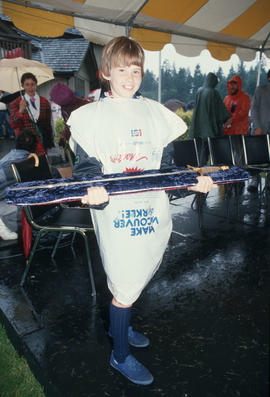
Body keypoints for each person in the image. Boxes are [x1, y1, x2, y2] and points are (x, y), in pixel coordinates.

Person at [67, 36, 217, 385]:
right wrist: (92, 191)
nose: (129, 76)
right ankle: (120, 355)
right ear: (105, 72)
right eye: (122, 69)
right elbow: (86, 170)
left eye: (136, 69)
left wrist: (190, 182)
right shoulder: (91, 118)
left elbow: (165, 168)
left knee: (137, 278)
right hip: (117, 216)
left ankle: (123, 326)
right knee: (123, 285)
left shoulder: (153, 114)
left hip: (151, 212)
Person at [0, 129, 37, 241]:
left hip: (5, 200)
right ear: (34, 146)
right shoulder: (28, 160)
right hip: (4, 205)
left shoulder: (9, 157)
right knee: (32, 210)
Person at [8, 72, 54, 155]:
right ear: (22, 86)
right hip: (26, 144)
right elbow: (13, 125)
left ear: (36, 85)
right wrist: (20, 111)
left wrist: (49, 141)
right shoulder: (15, 103)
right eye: (27, 84)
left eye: (32, 84)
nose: (30, 87)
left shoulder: (45, 102)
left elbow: (48, 124)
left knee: (43, 166)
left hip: (42, 142)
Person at [189, 72, 230, 164]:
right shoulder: (213, 92)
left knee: (201, 153)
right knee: (213, 153)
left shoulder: (199, 91)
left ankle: (200, 171)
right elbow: (220, 110)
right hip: (210, 130)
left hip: (199, 128)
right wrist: (227, 118)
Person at [248, 69, 270, 192]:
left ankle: (268, 182)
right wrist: (257, 126)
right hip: (260, 130)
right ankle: (254, 180)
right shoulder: (261, 89)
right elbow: (254, 109)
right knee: (256, 157)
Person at [50, 82, 88, 148]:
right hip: (78, 141)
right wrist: (64, 137)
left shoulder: (82, 105)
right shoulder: (64, 108)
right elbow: (68, 124)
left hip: (86, 140)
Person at [223, 75, 251, 167]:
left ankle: (240, 177)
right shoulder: (226, 99)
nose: (232, 87)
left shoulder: (245, 97)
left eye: (234, 84)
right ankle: (231, 177)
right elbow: (223, 112)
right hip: (228, 132)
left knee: (240, 155)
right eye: (231, 84)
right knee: (229, 156)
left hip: (240, 131)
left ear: (239, 85)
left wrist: (231, 120)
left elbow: (243, 112)